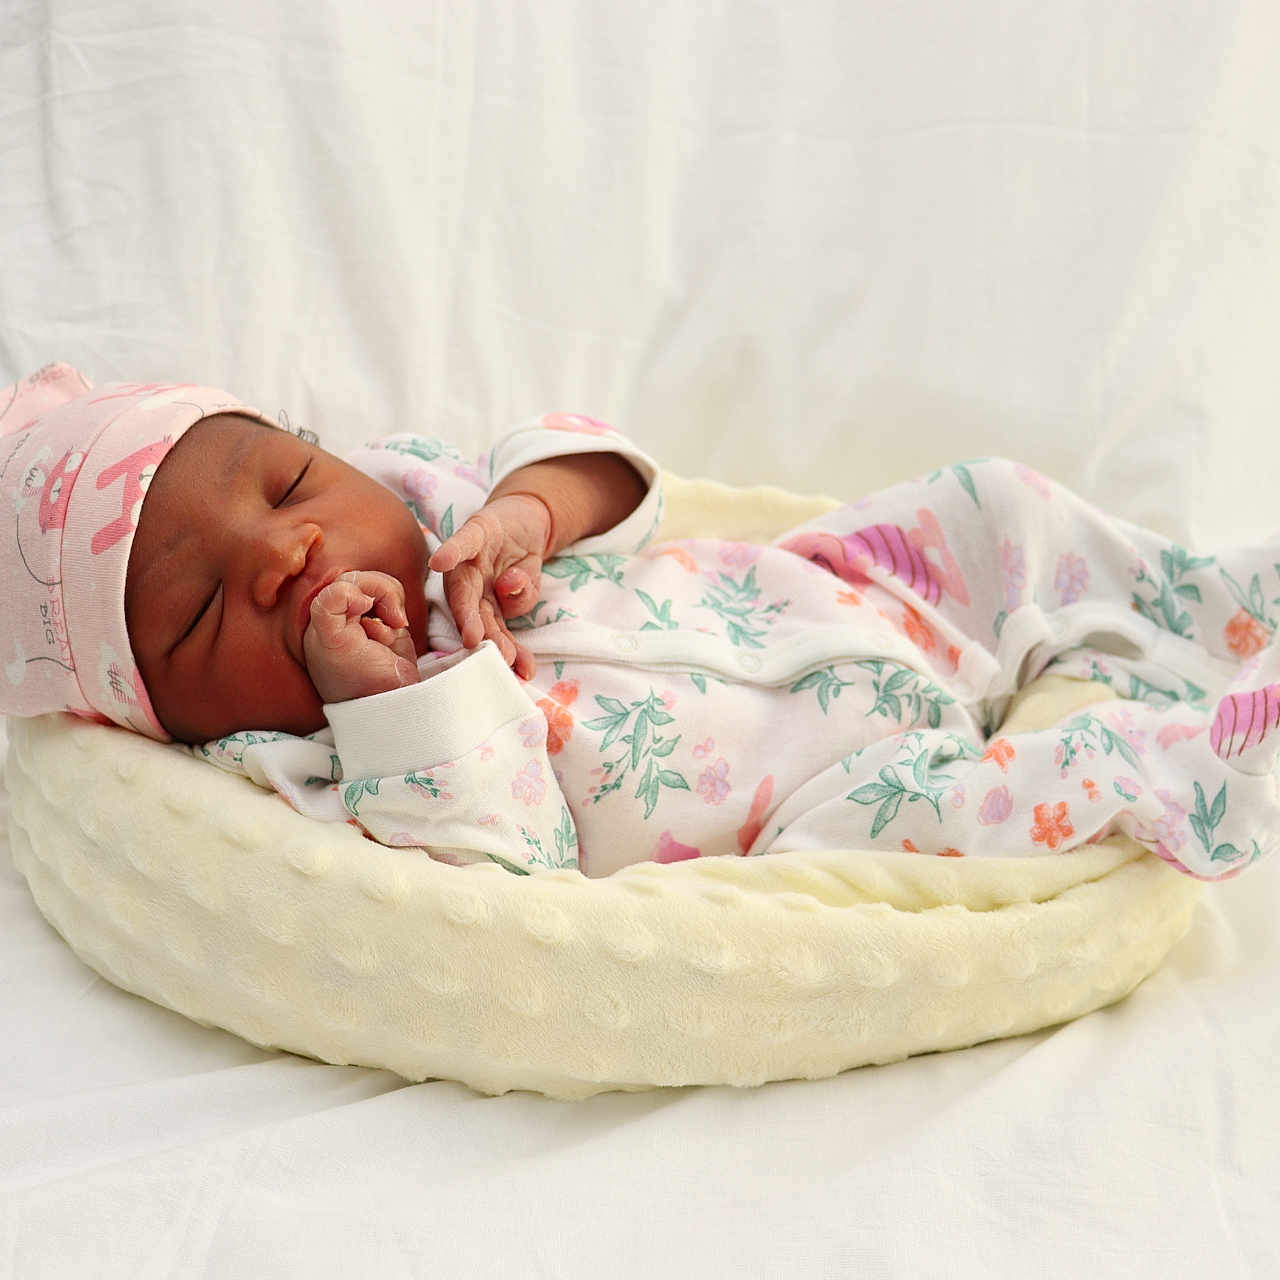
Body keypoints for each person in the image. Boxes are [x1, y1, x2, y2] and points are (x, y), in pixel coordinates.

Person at [3, 362, 1278, 879]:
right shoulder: (300, 770)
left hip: (825, 591)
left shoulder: (428, 500)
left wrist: (528, 514)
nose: (287, 554)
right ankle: (1209, 759)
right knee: (990, 812)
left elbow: (621, 485)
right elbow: (501, 867)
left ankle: (1223, 597)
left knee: (992, 509)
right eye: (204, 610)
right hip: (825, 794)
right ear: (164, 716)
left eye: (289, 486)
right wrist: (394, 701)